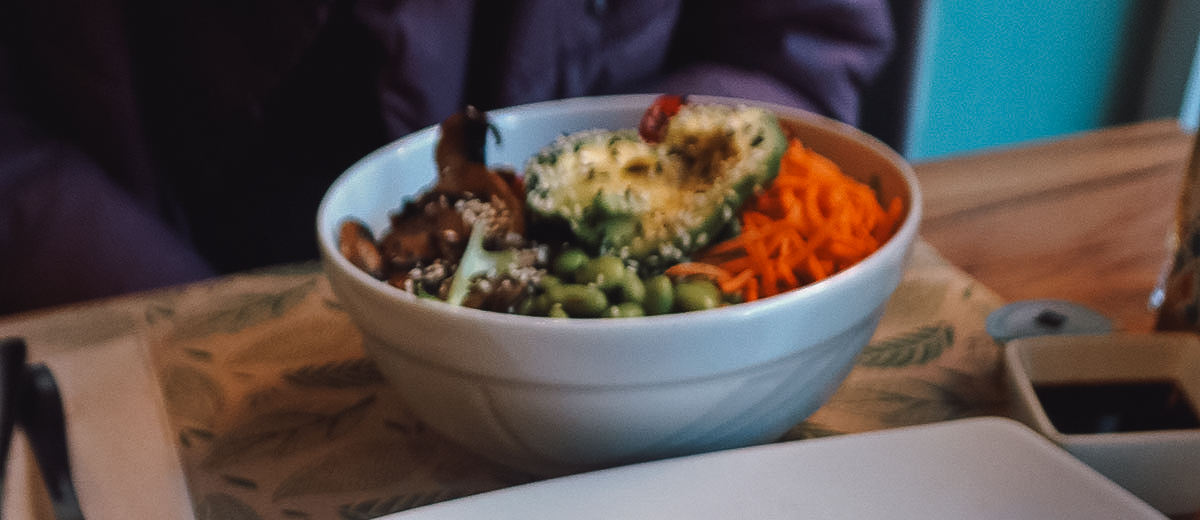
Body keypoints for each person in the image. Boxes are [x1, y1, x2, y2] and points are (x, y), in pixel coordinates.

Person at [0, 0, 895, 315]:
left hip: (601, 329)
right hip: (135, 279)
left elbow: (796, 40)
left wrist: (629, 198)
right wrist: (191, 309)